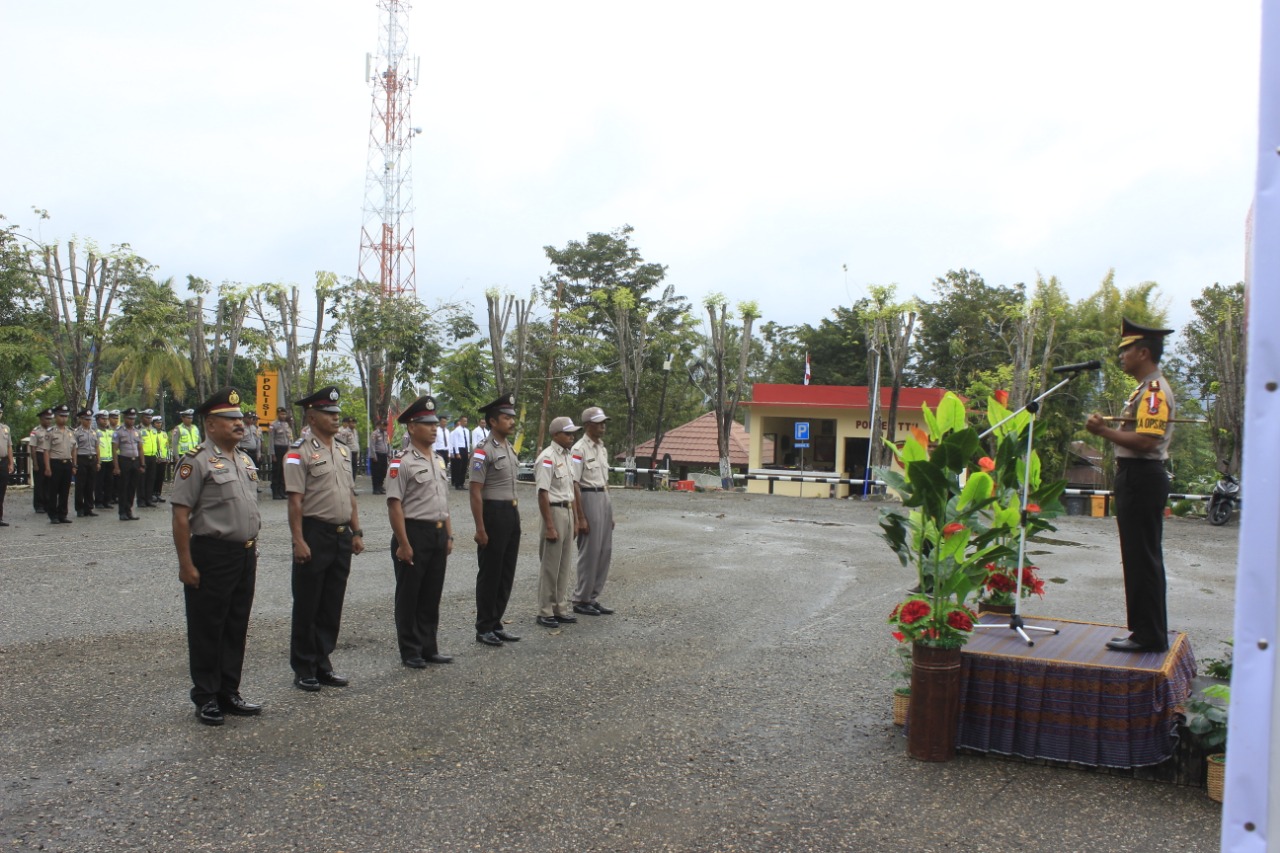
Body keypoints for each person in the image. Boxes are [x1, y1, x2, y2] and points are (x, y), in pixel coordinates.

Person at [170, 387, 264, 727]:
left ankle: (229, 691)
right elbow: (181, 515)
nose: (240, 424)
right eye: (231, 419)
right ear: (211, 424)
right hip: (212, 553)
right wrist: (186, 564)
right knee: (208, 625)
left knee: (236, 623)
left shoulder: (244, 459)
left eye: (241, 419)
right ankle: (206, 696)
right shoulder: (195, 461)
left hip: (244, 554)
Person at [1086, 318, 1176, 654]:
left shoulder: (1153, 392)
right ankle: (1145, 631)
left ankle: (1149, 635)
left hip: (1142, 475)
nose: (1121, 355)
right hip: (1136, 476)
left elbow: (1148, 441)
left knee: (1143, 557)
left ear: (1143, 352)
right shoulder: (1143, 389)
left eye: (1126, 350)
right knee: (1138, 556)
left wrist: (1103, 432)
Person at [286, 386, 365, 691]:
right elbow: (295, 501)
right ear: (311, 417)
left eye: (336, 413)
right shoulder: (298, 452)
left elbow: (350, 495)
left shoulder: (343, 450)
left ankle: (323, 663)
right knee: (308, 603)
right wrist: (298, 540)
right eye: (329, 414)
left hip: (341, 534)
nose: (336, 418)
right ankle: (304, 667)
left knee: (332, 603)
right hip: (314, 532)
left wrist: (356, 532)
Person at [386, 395, 454, 668]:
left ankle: (429, 646)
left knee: (431, 593)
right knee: (410, 595)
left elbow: (444, 501)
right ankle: (410, 650)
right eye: (427, 424)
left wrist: (448, 534)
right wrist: (403, 542)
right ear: (412, 428)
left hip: (436, 533)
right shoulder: (401, 462)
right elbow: (394, 504)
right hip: (413, 532)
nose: (434, 428)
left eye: (435, 423)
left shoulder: (438, 460)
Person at [469, 394, 522, 646]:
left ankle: (496, 621)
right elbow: (475, 490)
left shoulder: (509, 448)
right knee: (490, 572)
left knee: (506, 571)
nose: (512, 421)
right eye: (506, 417)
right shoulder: (483, 450)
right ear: (492, 421)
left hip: (511, 513)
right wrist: (480, 527)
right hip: (493, 514)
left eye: (512, 417)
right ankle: (484, 626)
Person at [534, 416, 584, 628]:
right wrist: (550, 526)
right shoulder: (547, 458)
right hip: (554, 512)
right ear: (556, 435)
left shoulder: (568, 456)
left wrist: (577, 517)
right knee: (550, 565)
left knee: (564, 564)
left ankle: (560, 607)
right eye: (568, 433)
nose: (572, 437)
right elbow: (543, 494)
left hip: (568, 510)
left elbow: (572, 487)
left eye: (573, 433)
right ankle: (545, 610)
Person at [571, 406, 616, 615]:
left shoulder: (601, 448)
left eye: (603, 422)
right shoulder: (579, 449)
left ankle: (592, 596)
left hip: (603, 497)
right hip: (588, 497)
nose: (603, 426)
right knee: (589, 551)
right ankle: (581, 598)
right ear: (588, 425)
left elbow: (605, 482)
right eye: (598, 422)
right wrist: (580, 517)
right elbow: (575, 483)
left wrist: (611, 513)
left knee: (604, 551)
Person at [44, 404, 75, 524]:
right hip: (55, 463)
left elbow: (74, 449)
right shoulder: (51, 432)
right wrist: (47, 467)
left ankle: (63, 514)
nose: (64, 418)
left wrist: (74, 464)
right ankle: (53, 515)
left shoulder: (70, 432)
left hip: (67, 463)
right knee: (54, 490)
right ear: (56, 416)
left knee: (65, 490)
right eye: (61, 416)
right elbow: (46, 450)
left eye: (66, 416)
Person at [113, 408, 144, 521]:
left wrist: (142, 464)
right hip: (124, 461)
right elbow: (115, 450)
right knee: (123, 488)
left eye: (133, 418)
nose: (132, 421)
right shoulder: (119, 432)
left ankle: (129, 510)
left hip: (135, 461)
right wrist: (116, 466)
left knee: (132, 488)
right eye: (129, 418)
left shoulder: (137, 431)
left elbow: (140, 449)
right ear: (125, 418)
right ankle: (122, 512)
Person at [72, 409, 100, 518]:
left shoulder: (94, 432)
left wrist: (98, 461)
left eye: (89, 419)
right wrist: (74, 464)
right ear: (81, 419)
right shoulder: (76, 432)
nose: (88, 421)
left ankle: (89, 508)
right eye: (86, 419)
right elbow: (74, 449)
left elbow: (97, 447)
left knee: (90, 485)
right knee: (80, 485)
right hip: (81, 459)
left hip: (92, 459)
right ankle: (79, 508)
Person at [29, 408, 52, 514]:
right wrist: (35, 463)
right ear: (41, 419)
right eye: (46, 419)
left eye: (50, 419)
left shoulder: (52, 430)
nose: (49, 421)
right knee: (39, 483)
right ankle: (39, 505)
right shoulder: (36, 431)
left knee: (49, 482)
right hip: (39, 456)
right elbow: (33, 448)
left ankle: (48, 504)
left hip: (50, 457)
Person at [269, 407, 294, 500]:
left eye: (284, 414)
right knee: (277, 471)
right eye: (281, 414)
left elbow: (289, 439)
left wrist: (289, 449)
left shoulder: (287, 425)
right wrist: (273, 454)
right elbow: (271, 441)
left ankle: (282, 491)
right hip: (277, 449)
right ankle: (275, 492)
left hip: (286, 449)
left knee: (284, 471)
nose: (283, 416)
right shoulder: (273, 425)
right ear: (277, 414)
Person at [95, 411, 115, 510]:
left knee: (109, 481)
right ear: (97, 420)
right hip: (100, 460)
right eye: (103, 419)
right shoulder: (95, 432)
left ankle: (107, 501)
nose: (105, 421)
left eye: (106, 419)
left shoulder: (110, 432)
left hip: (110, 459)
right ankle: (98, 502)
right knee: (99, 482)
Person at [139, 413, 158, 508]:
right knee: (142, 479)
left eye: (150, 418)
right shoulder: (139, 430)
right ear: (142, 418)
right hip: (143, 456)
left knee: (151, 479)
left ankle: (148, 499)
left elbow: (156, 443)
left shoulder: (154, 430)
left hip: (152, 456)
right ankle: (141, 500)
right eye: (147, 417)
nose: (149, 419)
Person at [0, 401, 14, 527]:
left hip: (3, 462)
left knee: (2, 489)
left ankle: (0, 517)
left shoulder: (5, 429)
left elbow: (9, 446)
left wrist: (11, 462)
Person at [449, 414, 471, 490]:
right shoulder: (456, 430)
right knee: (459, 467)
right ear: (460, 421)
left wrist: (468, 452)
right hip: (459, 449)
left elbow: (468, 441)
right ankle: (457, 484)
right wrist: (457, 453)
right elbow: (455, 442)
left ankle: (462, 483)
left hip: (465, 449)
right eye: (464, 421)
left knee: (464, 467)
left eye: (466, 421)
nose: (466, 422)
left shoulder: (467, 431)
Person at [151, 416, 169, 502]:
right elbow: (154, 446)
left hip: (163, 458)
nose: (159, 424)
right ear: (153, 424)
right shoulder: (152, 433)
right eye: (157, 423)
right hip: (155, 459)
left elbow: (167, 446)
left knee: (160, 477)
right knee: (154, 476)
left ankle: (158, 493)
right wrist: (156, 457)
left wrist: (168, 457)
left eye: (160, 423)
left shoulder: (164, 434)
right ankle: (152, 494)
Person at [370, 418, 390, 495]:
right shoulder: (374, 434)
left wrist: (389, 453)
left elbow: (388, 444)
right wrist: (373, 456)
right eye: (383, 426)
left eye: (386, 426)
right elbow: (372, 445)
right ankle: (375, 488)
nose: (385, 427)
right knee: (376, 473)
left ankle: (380, 486)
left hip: (384, 455)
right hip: (377, 455)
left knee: (383, 472)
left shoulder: (385, 434)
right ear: (379, 425)